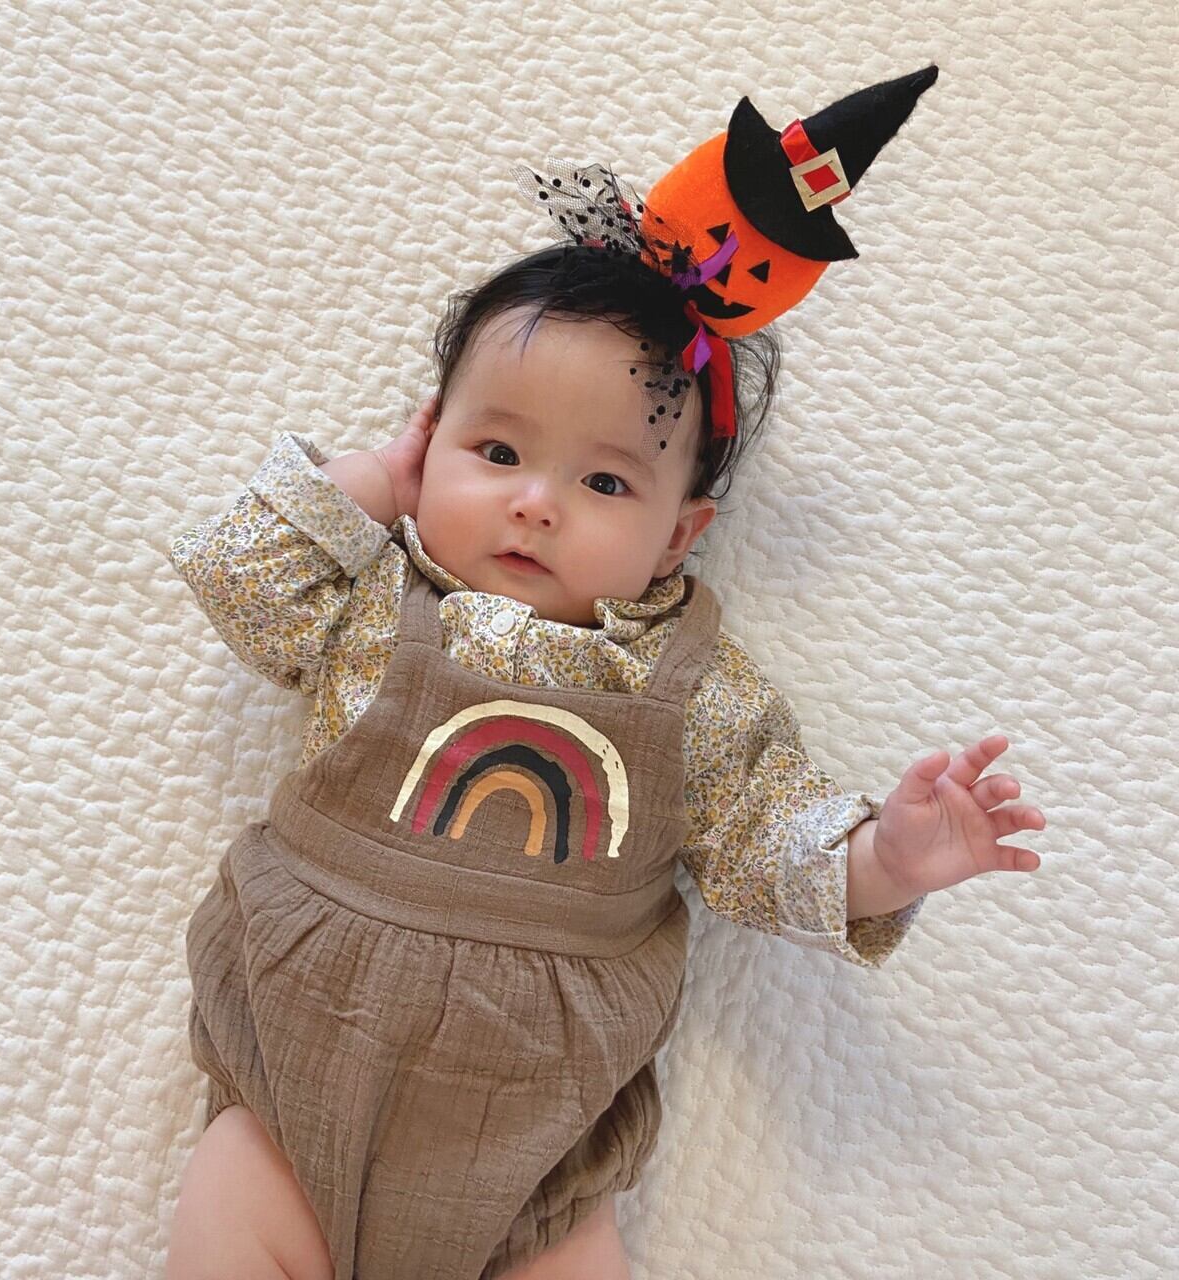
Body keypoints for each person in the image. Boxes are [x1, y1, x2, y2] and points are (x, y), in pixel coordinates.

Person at [164, 70, 1045, 1280]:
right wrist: (371, 478)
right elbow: (239, 578)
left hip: (534, 1147)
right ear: (431, 436)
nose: (535, 501)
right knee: (233, 1196)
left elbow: (762, 838)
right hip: (297, 1068)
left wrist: (885, 858)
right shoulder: (376, 596)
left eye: (604, 481)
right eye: (494, 449)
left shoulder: (692, 686)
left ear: (680, 535)